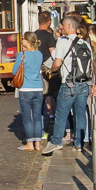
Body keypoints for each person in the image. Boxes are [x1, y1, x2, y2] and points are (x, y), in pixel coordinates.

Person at [42, 14, 96, 154]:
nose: (61, 28)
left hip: (69, 84)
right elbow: (91, 67)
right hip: (84, 83)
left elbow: (57, 63)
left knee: (61, 113)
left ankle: (56, 141)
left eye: (63, 25)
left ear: (68, 26)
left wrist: (51, 70)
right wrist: (93, 85)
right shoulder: (85, 43)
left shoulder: (62, 41)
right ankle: (79, 143)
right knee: (80, 113)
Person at [14, 32, 45, 150]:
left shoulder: (22, 55)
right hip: (38, 88)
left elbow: (14, 71)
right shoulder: (39, 54)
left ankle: (29, 144)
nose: (22, 41)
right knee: (37, 117)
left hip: (26, 89)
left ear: (27, 41)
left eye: (23, 39)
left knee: (27, 117)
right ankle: (38, 144)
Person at [35, 10, 59, 138]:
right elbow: (54, 54)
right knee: (48, 95)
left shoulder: (32, 36)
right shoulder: (49, 37)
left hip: (34, 71)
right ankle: (51, 119)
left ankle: (39, 130)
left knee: (38, 100)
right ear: (49, 21)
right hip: (46, 71)